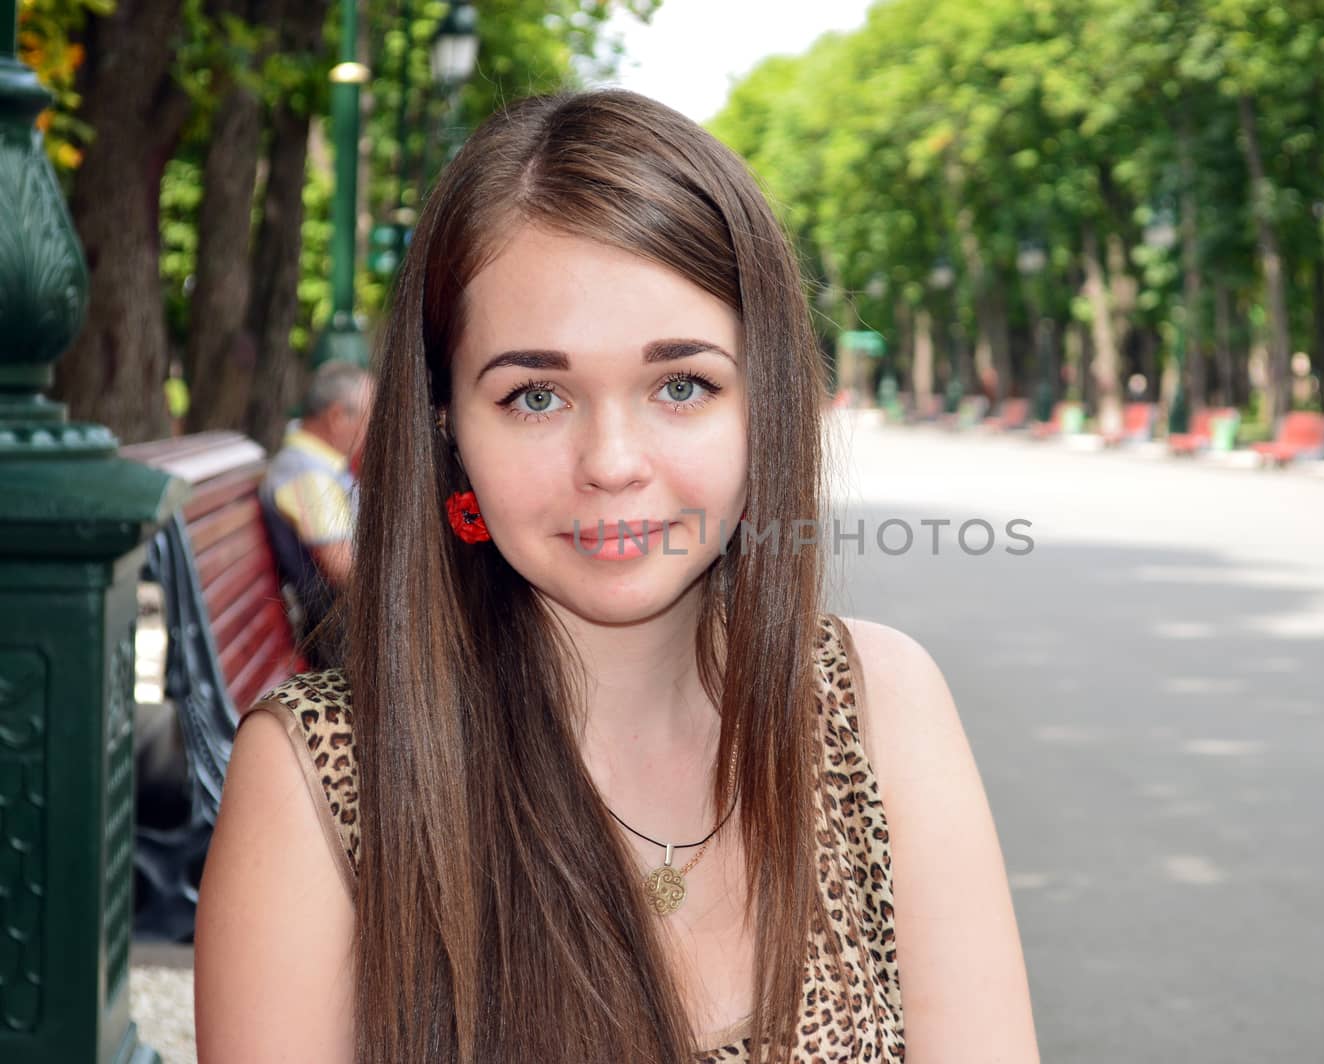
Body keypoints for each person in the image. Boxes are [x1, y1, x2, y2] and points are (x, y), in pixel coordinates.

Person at [194, 90, 1037, 1064]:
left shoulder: (879, 709)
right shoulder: (324, 779)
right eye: (536, 395)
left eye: (681, 385)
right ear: (445, 430)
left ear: (763, 401)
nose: (612, 460)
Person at [258, 361, 373, 668]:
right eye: (369, 418)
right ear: (337, 416)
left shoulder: (315, 465)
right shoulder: (307, 474)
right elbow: (344, 570)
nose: (374, 429)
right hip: (341, 638)